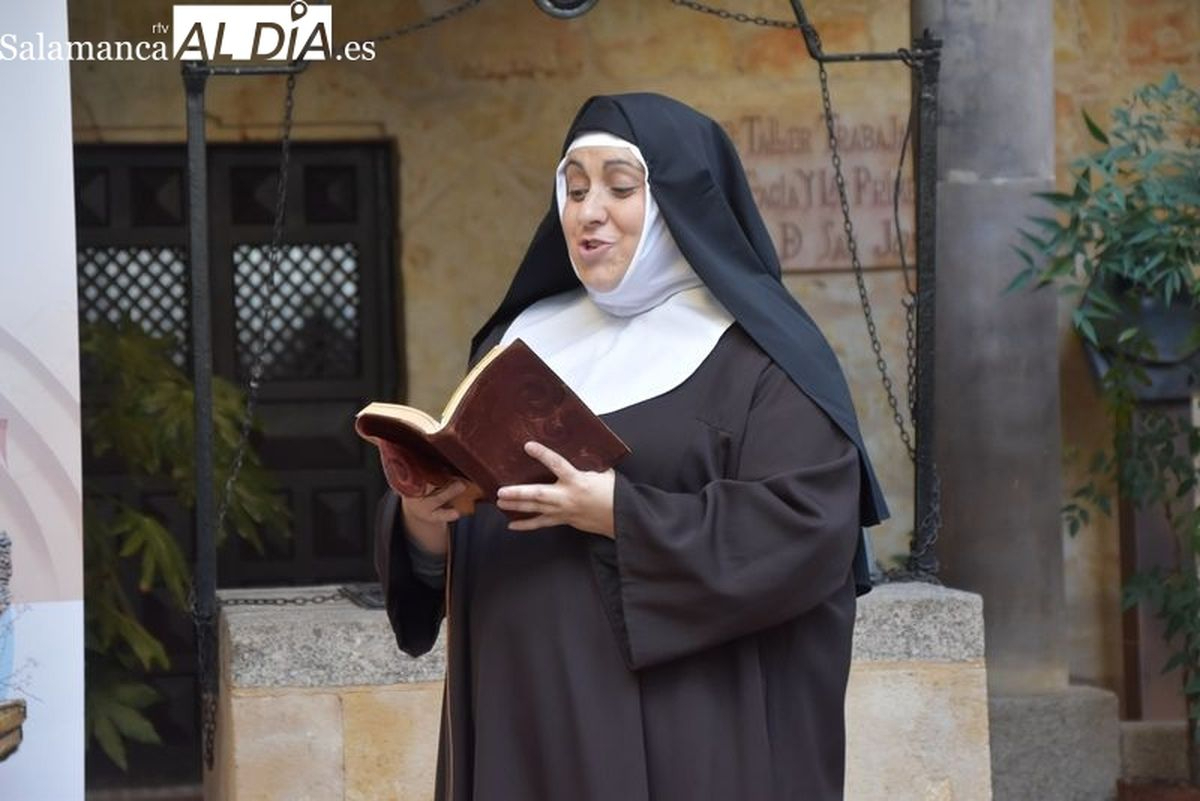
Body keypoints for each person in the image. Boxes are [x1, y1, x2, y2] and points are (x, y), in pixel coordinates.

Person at [374, 92, 888, 801]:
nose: (589, 211)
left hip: (677, 731)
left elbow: (808, 528)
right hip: (515, 717)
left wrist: (621, 512)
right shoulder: (518, 341)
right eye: (574, 187)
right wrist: (426, 520)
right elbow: (469, 534)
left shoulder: (760, 362)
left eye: (620, 186)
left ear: (680, 203)